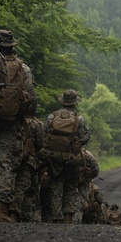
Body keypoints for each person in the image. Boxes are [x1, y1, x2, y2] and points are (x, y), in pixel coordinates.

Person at [0, 29, 37, 222]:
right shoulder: (23, 69)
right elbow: (31, 101)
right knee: (6, 162)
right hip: (12, 122)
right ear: (12, 46)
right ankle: (1, 209)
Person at [42, 89, 90, 224]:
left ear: (62, 101)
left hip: (54, 158)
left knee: (56, 185)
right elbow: (85, 137)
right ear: (75, 103)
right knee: (70, 186)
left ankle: (56, 217)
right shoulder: (78, 119)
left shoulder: (51, 117)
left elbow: (44, 134)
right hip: (71, 158)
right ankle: (68, 217)